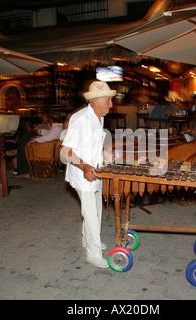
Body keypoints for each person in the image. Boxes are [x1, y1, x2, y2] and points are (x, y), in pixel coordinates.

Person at [60, 80, 116, 268]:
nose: (111, 104)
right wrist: (84, 167)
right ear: (96, 100)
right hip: (82, 174)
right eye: (108, 100)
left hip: (95, 171)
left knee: (96, 210)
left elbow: (91, 144)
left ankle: (88, 239)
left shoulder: (99, 117)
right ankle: (93, 253)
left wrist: (105, 154)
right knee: (91, 213)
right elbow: (65, 151)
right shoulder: (81, 119)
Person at [7, 112, 63, 178]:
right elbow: (50, 134)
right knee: (25, 138)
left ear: (50, 119)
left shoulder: (57, 128)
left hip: (45, 148)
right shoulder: (58, 127)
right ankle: (16, 150)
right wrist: (41, 130)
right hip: (46, 147)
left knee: (25, 138)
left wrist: (35, 140)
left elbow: (49, 137)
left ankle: (22, 170)